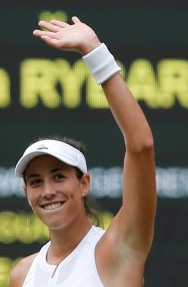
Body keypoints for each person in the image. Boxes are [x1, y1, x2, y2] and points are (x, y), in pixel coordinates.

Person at [9, 17, 157, 286]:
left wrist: (93, 50)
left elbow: (141, 146)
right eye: (35, 181)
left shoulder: (116, 249)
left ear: (84, 183)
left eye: (58, 176)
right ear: (26, 193)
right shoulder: (22, 274)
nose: (48, 191)